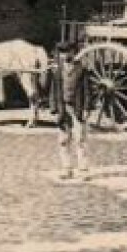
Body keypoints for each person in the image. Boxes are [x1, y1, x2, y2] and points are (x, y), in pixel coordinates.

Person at [50, 42, 89, 182]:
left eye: (68, 52)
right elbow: (53, 91)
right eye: (62, 52)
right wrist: (54, 109)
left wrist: (86, 108)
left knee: (80, 139)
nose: (65, 55)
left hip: (77, 108)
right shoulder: (57, 71)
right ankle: (66, 169)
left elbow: (87, 91)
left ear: (73, 52)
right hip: (63, 108)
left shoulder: (82, 70)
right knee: (63, 140)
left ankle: (83, 170)